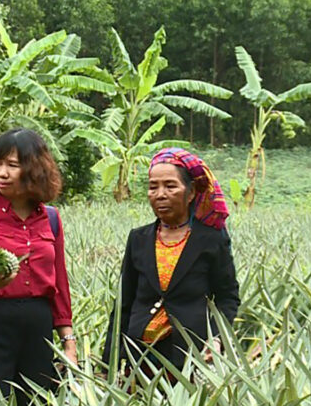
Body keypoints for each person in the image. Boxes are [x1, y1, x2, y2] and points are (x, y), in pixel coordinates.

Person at [0, 128, 75, 406]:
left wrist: (68, 341)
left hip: (38, 325)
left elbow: (59, 286)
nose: (2, 173)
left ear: (34, 169)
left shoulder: (51, 218)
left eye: (13, 165)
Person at [102, 147, 239, 382]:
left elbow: (227, 297)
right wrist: (109, 361)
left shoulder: (210, 239)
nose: (160, 194)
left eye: (170, 186)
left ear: (191, 192)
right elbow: (124, 302)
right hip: (140, 354)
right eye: (153, 187)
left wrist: (217, 338)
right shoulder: (139, 238)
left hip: (190, 355)